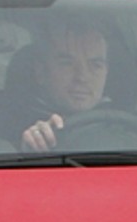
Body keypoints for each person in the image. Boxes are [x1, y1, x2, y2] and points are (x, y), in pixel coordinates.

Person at [19, 20, 111, 151]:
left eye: (95, 65)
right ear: (40, 72)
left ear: (107, 72)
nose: (82, 77)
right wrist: (30, 149)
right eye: (67, 64)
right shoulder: (2, 128)